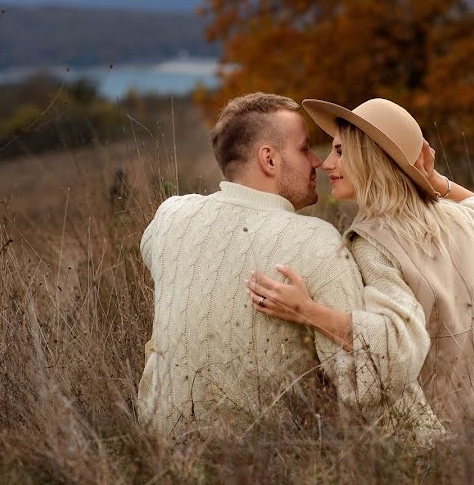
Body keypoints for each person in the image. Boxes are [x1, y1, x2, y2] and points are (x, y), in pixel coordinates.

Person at [247, 98, 474, 426]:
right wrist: (432, 178)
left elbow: (389, 343)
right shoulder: (463, 219)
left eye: (341, 152)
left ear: (372, 157)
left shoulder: (374, 244)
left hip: (462, 433)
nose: (327, 163)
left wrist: (306, 311)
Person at [136, 93, 366, 436]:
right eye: (304, 149)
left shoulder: (171, 217)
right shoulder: (317, 241)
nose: (317, 162)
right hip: (273, 458)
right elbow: (364, 371)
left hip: (163, 453)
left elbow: (151, 249)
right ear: (269, 159)